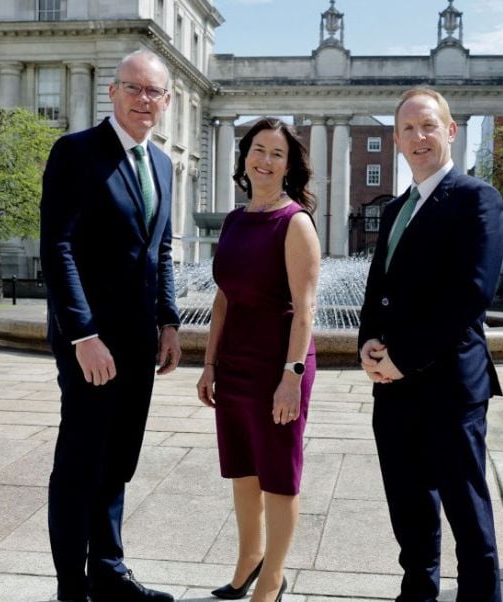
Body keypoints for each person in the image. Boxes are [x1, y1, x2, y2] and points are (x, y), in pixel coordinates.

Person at [40, 49, 181, 602]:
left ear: (167, 102)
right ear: (113, 92)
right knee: (79, 463)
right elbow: (58, 248)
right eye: (135, 89)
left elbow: (161, 250)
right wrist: (83, 335)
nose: (145, 100)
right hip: (90, 344)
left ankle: (109, 571)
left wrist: (168, 321)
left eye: (155, 93)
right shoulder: (76, 153)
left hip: (139, 341)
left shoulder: (163, 164)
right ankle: (71, 588)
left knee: (118, 458)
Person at [358, 87, 503, 602]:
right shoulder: (398, 207)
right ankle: (417, 592)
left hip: (450, 386)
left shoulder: (476, 199)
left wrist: (403, 358)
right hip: (393, 389)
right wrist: (367, 345)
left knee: (466, 509)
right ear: (397, 139)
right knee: (408, 503)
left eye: (428, 126)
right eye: (408, 129)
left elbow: (470, 296)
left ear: (450, 131)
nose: (418, 137)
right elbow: (378, 288)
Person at [196, 117, 320, 602]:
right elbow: (223, 297)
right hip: (236, 362)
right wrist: (209, 364)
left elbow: (306, 310)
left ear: (288, 167)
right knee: (242, 468)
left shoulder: (295, 223)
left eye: (277, 154)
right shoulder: (233, 220)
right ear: (245, 156)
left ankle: (272, 579)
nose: (265, 161)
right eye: (259, 150)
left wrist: (290, 378)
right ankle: (248, 560)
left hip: (279, 363)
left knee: (278, 473)